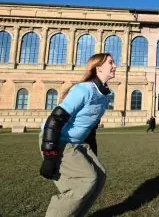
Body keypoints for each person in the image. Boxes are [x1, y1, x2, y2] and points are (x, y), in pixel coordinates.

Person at [39, 53, 116, 217]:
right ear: (98, 68)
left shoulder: (104, 96)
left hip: (77, 142)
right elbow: (55, 119)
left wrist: (92, 155)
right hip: (57, 139)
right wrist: (49, 155)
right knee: (86, 180)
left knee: (99, 176)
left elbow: (91, 128)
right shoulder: (84, 89)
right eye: (111, 62)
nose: (115, 66)